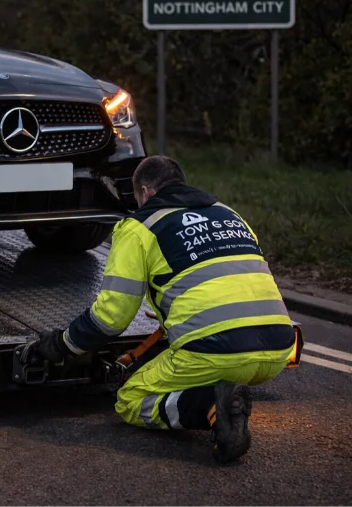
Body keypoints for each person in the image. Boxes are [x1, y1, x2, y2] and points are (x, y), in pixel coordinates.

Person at [30, 155, 295, 463]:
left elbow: (111, 318)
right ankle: (224, 392)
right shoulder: (230, 214)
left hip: (215, 352)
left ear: (146, 192)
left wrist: (62, 345)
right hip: (277, 350)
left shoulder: (139, 227)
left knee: (130, 400)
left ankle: (211, 405)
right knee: (220, 367)